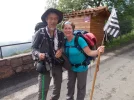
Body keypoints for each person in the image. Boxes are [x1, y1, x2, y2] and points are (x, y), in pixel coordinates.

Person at [62, 21, 105, 100]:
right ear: (63, 30)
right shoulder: (63, 41)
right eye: (65, 28)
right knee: (70, 86)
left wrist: (98, 51)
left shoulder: (79, 40)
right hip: (70, 68)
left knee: (81, 87)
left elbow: (89, 52)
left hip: (82, 67)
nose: (67, 30)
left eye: (69, 28)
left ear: (73, 29)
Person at [32, 8, 64, 100]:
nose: (53, 21)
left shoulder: (60, 34)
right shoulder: (40, 33)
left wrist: (61, 50)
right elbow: (34, 48)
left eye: (55, 18)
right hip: (45, 65)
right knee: (43, 91)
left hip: (57, 65)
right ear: (46, 20)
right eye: (51, 18)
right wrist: (38, 54)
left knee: (57, 89)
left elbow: (62, 46)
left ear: (58, 20)